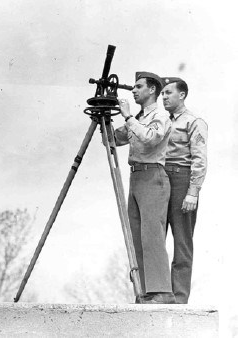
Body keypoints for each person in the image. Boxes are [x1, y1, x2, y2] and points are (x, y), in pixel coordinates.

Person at [115, 71, 175, 304]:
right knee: (137, 236)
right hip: (137, 178)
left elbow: (150, 138)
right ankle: (145, 291)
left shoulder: (160, 115)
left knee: (152, 235)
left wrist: (129, 118)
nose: (133, 90)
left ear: (152, 90)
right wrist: (107, 120)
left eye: (139, 86)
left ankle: (162, 292)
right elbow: (114, 139)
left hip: (153, 177)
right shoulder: (137, 116)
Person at [161, 77, 208, 304]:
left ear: (182, 95)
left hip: (182, 180)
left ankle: (178, 299)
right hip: (159, 179)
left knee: (182, 241)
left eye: (169, 92)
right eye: (162, 93)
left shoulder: (194, 122)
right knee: (155, 239)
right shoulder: (160, 121)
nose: (164, 97)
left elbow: (199, 159)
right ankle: (157, 295)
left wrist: (193, 192)